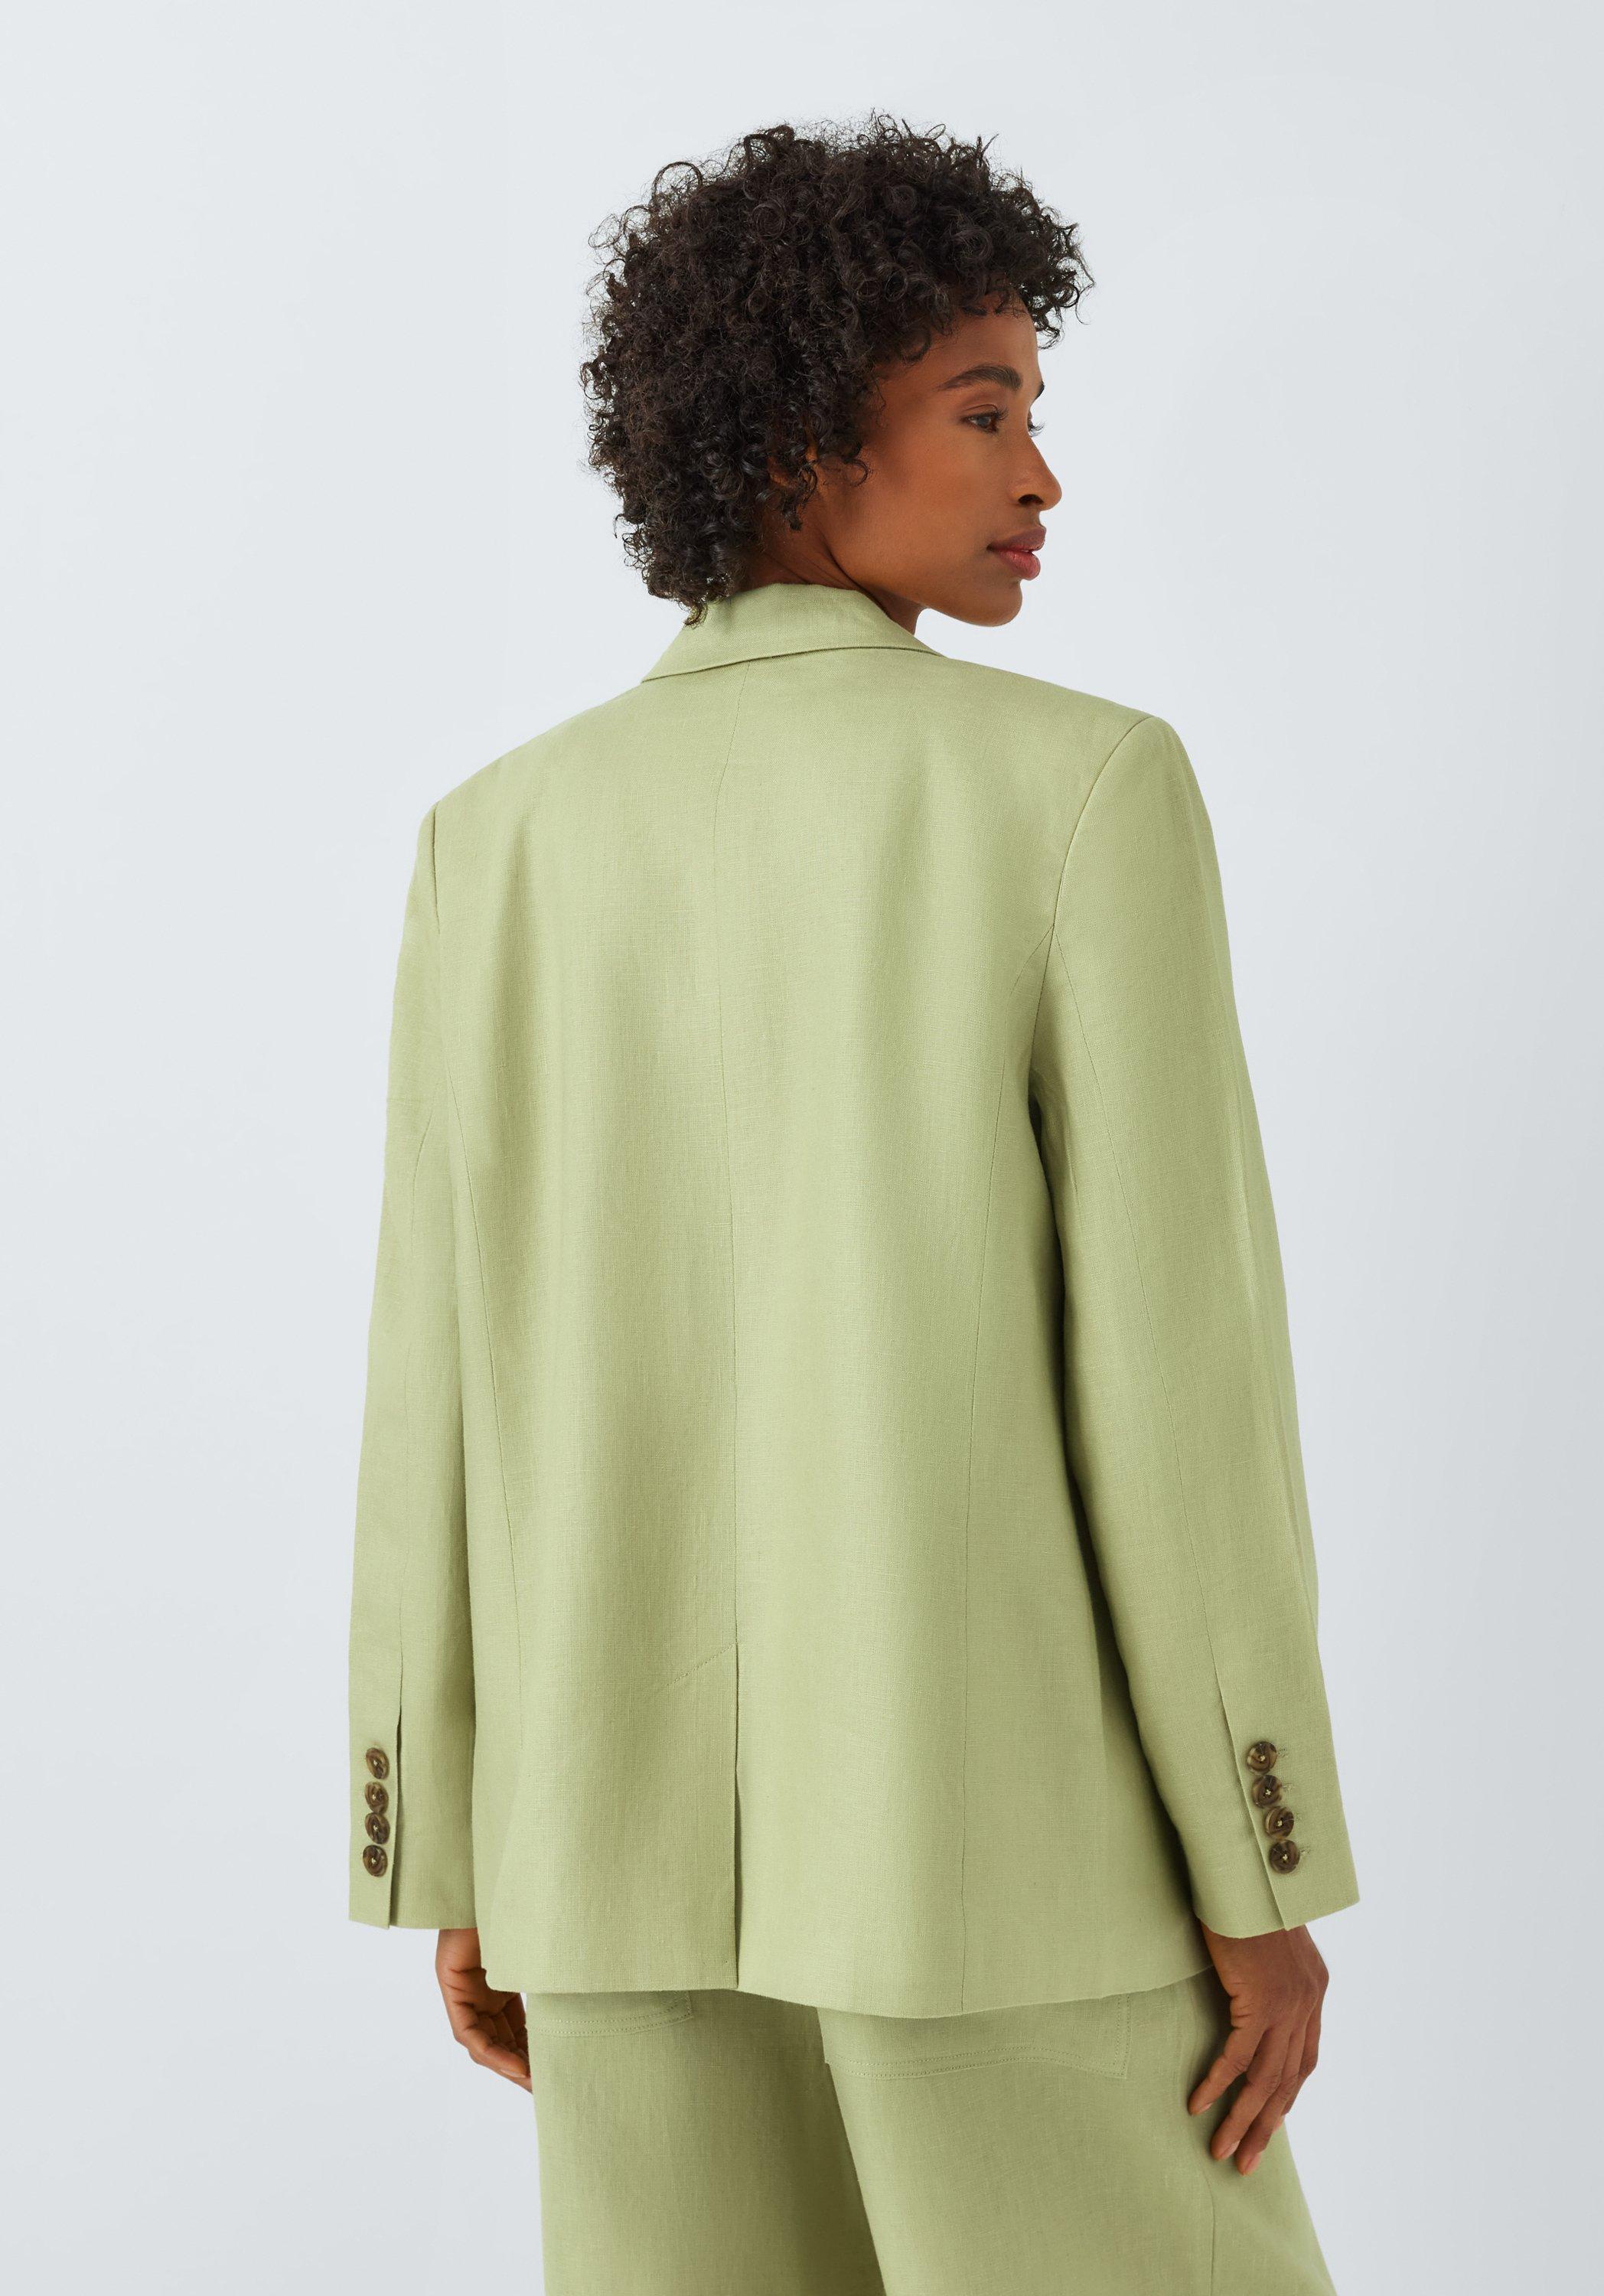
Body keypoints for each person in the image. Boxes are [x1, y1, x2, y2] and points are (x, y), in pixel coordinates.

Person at [345, 113, 1361, 2294]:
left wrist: (455, 1842)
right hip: (1012, 1875)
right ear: (804, 432)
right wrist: (1259, 1859)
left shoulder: (492, 841)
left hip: (601, 1880)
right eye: (984, 411)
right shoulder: (1080, 789)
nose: (1041, 476)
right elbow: (1172, 1388)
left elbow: (437, 1379)